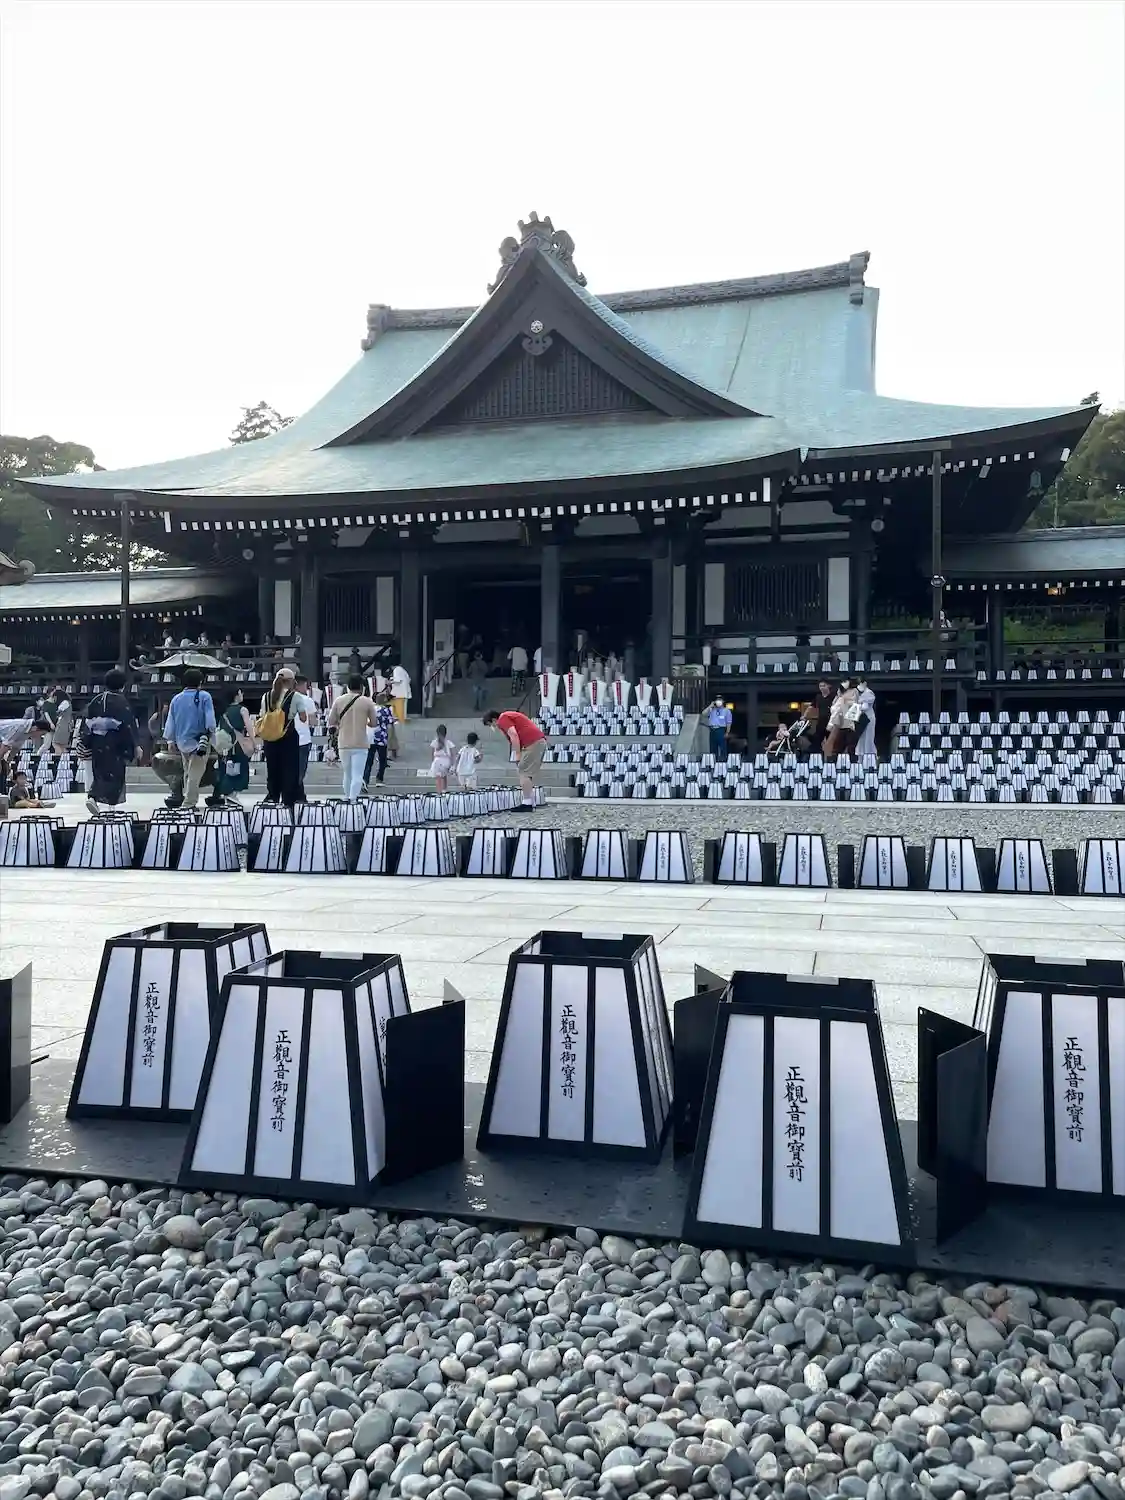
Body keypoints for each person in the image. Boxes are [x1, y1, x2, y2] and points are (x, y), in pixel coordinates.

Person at [80, 669, 139, 813]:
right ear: (122, 685)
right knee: (115, 774)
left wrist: (86, 741)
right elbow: (128, 724)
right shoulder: (121, 701)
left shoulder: (96, 700)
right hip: (115, 743)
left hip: (97, 742)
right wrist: (134, 745)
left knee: (99, 772)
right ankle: (109, 806)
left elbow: (86, 721)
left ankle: (93, 798)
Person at [163, 668, 217, 810]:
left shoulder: (176, 699)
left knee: (188, 771)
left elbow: (171, 721)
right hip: (200, 741)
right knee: (195, 774)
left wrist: (170, 740)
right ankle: (189, 803)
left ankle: (187, 799)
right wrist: (212, 734)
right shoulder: (205, 696)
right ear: (200, 682)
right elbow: (210, 720)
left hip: (182, 741)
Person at [483, 707, 547, 810]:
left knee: (523, 771)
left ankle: (527, 803)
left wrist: (517, 754)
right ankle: (531, 801)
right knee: (527, 773)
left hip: (533, 743)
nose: (493, 727)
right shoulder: (508, 716)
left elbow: (513, 734)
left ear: (494, 719)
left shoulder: (503, 718)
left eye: (490, 724)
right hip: (536, 742)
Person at [329, 675, 379, 802]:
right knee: (358, 774)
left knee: (347, 774)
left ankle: (347, 797)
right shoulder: (367, 702)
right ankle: (353, 799)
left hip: (343, 742)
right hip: (361, 743)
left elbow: (331, 721)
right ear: (362, 687)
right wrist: (365, 722)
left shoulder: (339, 700)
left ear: (347, 687)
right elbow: (374, 723)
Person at [256, 668, 301, 807]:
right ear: (291, 681)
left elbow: (262, 715)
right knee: (290, 769)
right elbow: (304, 718)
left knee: (273, 769)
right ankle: (288, 801)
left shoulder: (266, 696)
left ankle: (273, 798)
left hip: (269, 738)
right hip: (288, 737)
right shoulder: (295, 696)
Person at [213, 687, 255, 800]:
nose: (242, 695)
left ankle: (226, 792)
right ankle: (233, 794)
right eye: (241, 693)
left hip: (225, 744)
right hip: (238, 743)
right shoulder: (242, 710)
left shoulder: (223, 710)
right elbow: (249, 727)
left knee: (225, 768)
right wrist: (254, 742)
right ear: (236, 695)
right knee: (240, 767)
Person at [362, 691, 395, 790]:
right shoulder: (386, 710)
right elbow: (390, 725)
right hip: (381, 738)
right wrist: (391, 738)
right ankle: (379, 779)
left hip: (370, 738)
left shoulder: (370, 709)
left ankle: (365, 779)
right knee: (382, 760)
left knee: (369, 761)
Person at [292, 675, 317, 799]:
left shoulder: (283, 699)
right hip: (303, 740)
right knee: (300, 770)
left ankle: (298, 794)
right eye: (305, 686)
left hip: (287, 739)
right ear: (299, 685)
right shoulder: (307, 700)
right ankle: (297, 795)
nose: (306, 689)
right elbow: (313, 722)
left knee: (289, 769)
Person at [429, 724, 456, 794]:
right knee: (440, 776)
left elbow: (453, 755)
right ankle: (441, 791)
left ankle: (442, 790)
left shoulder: (448, 743)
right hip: (439, 762)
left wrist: (452, 765)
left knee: (442, 776)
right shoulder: (435, 742)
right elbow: (432, 753)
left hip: (444, 762)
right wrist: (433, 763)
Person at [854, 678, 877, 758]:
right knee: (861, 738)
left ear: (865, 683)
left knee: (868, 738)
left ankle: (870, 756)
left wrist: (855, 705)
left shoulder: (869, 693)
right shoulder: (857, 693)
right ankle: (860, 757)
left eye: (860, 683)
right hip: (861, 719)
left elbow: (865, 707)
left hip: (869, 719)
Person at [812, 680, 834, 748]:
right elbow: (811, 706)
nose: (822, 688)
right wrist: (804, 716)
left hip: (830, 722)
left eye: (824, 686)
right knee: (817, 740)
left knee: (831, 741)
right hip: (821, 722)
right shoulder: (818, 697)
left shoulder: (833, 696)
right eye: (820, 686)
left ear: (829, 686)